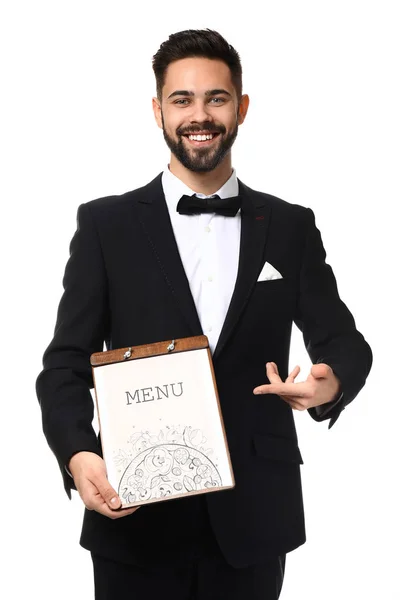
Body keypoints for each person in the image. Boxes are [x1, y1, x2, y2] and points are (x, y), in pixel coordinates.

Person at [36, 28, 372, 600]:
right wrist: (77, 452)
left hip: (255, 519)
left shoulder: (289, 226)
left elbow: (345, 340)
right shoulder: (105, 226)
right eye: (182, 99)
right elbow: (64, 365)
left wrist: (329, 382)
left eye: (216, 98)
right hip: (134, 513)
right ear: (157, 111)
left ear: (240, 107)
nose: (200, 115)